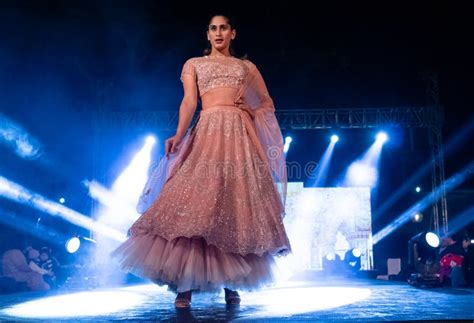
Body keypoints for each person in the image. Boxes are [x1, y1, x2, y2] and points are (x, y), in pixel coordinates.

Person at [112, 14, 291, 308]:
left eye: (223, 28)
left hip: (239, 138)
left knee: (235, 206)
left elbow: (266, 103)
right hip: (207, 132)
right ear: (207, 34)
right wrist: (178, 134)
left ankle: (232, 284)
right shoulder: (194, 64)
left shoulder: (246, 67)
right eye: (213, 28)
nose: (218, 33)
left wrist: (248, 107)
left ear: (233, 33)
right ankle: (185, 286)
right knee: (196, 205)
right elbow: (189, 102)